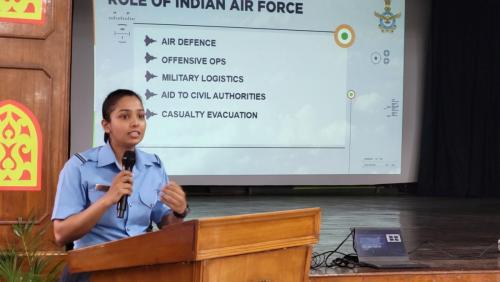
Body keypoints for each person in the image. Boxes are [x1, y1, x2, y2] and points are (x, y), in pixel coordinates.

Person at [52, 89, 188, 251]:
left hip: (141, 263)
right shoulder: (79, 166)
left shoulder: (154, 167)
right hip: (94, 264)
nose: (135, 123)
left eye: (141, 116)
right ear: (106, 125)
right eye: (125, 116)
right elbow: (61, 234)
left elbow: (166, 224)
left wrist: (179, 212)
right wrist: (107, 200)